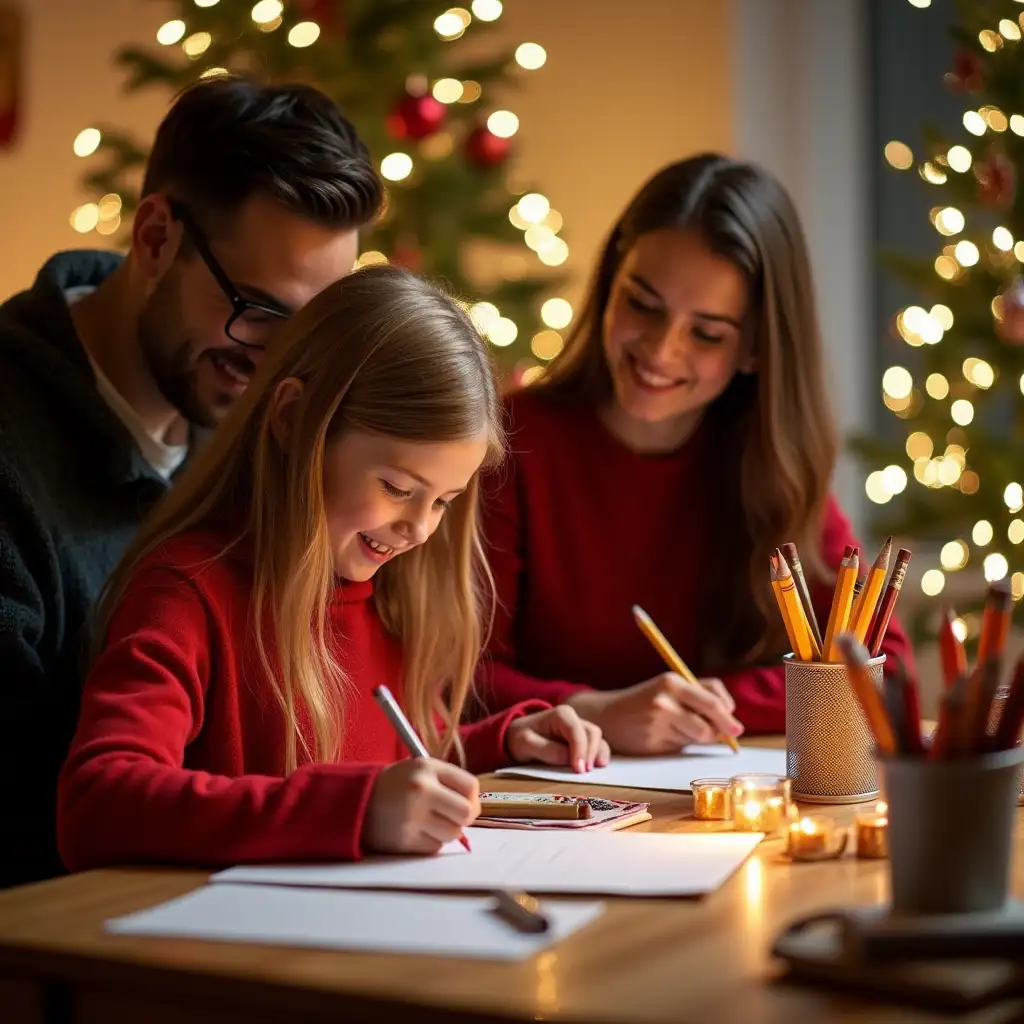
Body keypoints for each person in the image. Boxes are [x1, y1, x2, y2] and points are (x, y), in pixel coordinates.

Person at [57, 265, 609, 869]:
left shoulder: (388, 597)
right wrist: (359, 811)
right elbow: (99, 802)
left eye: (444, 502)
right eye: (398, 487)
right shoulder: (186, 593)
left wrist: (497, 741)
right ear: (296, 421)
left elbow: (386, 761)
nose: (420, 529)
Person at [0, 75, 383, 887]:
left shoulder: (257, 428)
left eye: (312, 329)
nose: (285, 361)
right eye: (260, 310)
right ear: (154, 237)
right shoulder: (12, 444)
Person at [477, 154, 915, 754]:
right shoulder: (513, 439)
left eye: (707, 333)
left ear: (756, 348)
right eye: (642, 304)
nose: (661, 350)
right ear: (609, 283)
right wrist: (593, 710)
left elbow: (879, 658)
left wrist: (709, 705)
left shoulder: (769, 461)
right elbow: (458, 676)